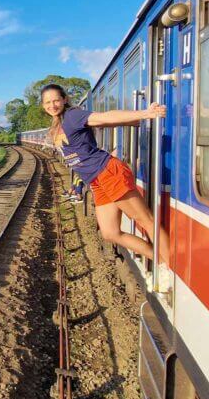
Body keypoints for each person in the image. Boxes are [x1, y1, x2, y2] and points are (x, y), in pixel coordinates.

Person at [41, 84, 170, 267]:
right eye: (47, 102)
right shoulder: (58, 124)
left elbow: (104, 118)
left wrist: (145, 113)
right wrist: (131, 121)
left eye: (56, 100)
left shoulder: (72, 115)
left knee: (145, 220)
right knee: (110, 233)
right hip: (96, 180)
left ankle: (168, 267)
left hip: (107, 171)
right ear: (43, 105)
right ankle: (161, 261)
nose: (52, 105)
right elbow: (109, 123)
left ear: (64, 100)